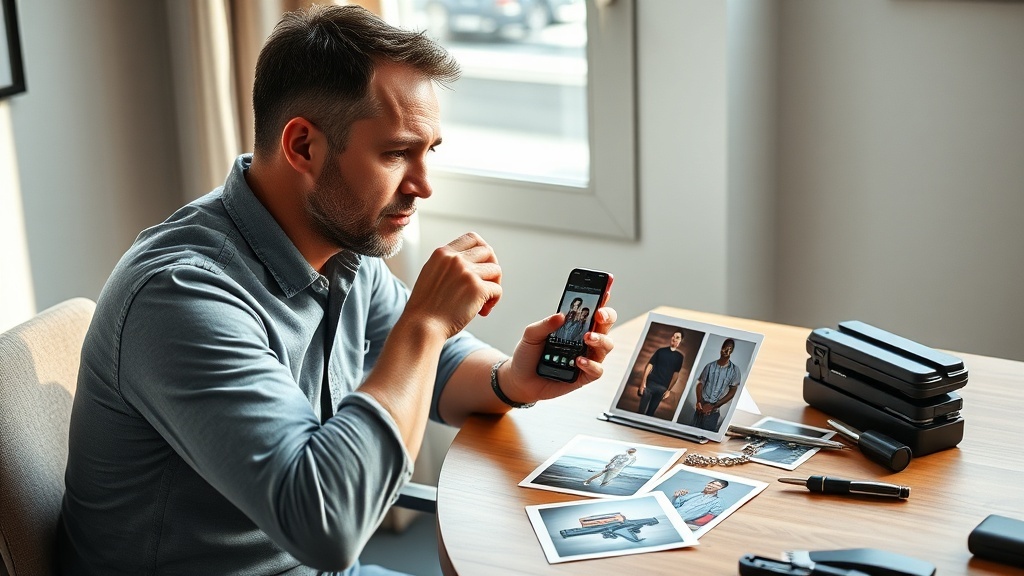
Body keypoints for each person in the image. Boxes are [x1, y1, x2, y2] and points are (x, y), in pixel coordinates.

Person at [56, 6, 616, 576]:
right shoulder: (181, 296)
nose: (423, 186)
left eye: (430, 151)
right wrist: (424, 323)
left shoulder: (341, 246)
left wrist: (511, 378)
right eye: (397, 153)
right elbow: (326, 525)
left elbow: (439, 370)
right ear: (302, 146)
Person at [691, 339, 742, 431]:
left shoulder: (735, 370)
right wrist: (699, 401)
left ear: (732, 351)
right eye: (725, 348)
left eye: (730, 349)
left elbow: (732, 392)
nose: (726, 350)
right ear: (721, 349)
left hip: (713, 413)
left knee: (705, 438)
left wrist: (714, 406)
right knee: (690, 434)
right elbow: (700, 383)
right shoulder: (709, 366)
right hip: (700, 409)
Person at [636, 331, 685, 417]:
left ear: (681, 341)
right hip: (650, 384)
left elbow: (676, 374)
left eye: (677, 337)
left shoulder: (679, 357)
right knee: (640, 411)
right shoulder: (661, 351)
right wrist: (643, 382)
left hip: (662, 388)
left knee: (650, 413)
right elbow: (649, 366)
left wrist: (669, 390)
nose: (674, 339)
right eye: (673, 336)